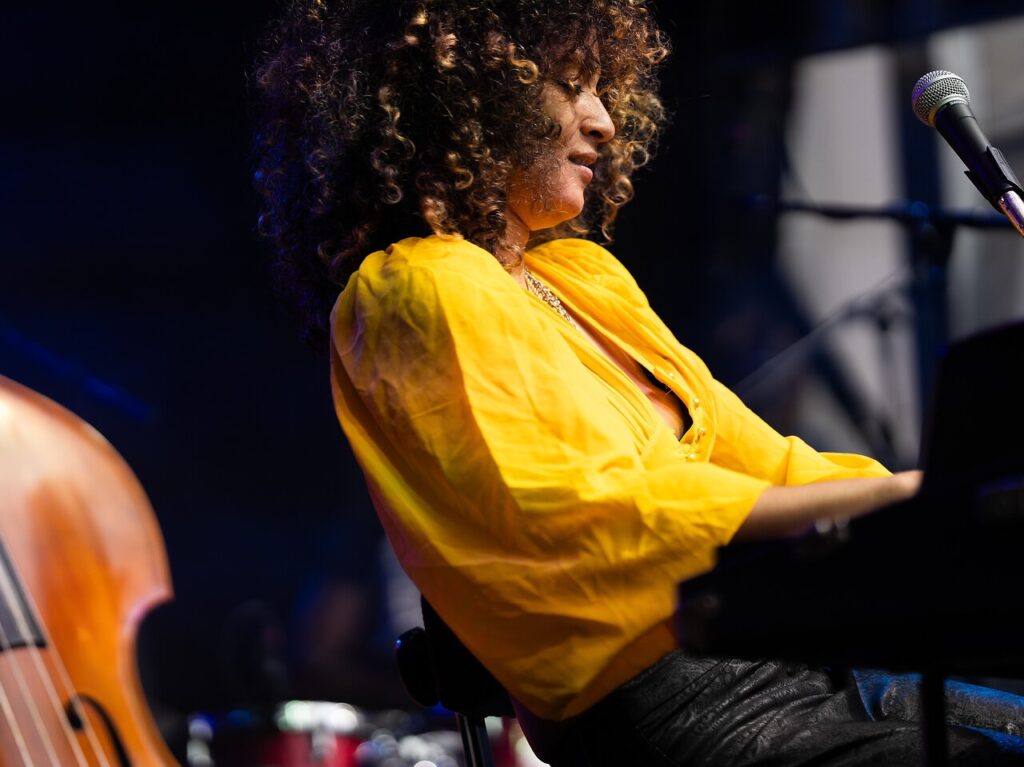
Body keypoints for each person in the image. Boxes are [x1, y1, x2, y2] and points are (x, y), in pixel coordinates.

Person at [253, 1, 1024, 763]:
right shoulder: (416, 286)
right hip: (685, 711)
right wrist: (901, 501)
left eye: (601, 89)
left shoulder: (583, 279)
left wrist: (962, 501)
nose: (604, 122)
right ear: (472, 101)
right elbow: (591, 509)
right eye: (570, 85)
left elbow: (772, 463)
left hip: (797, 663)